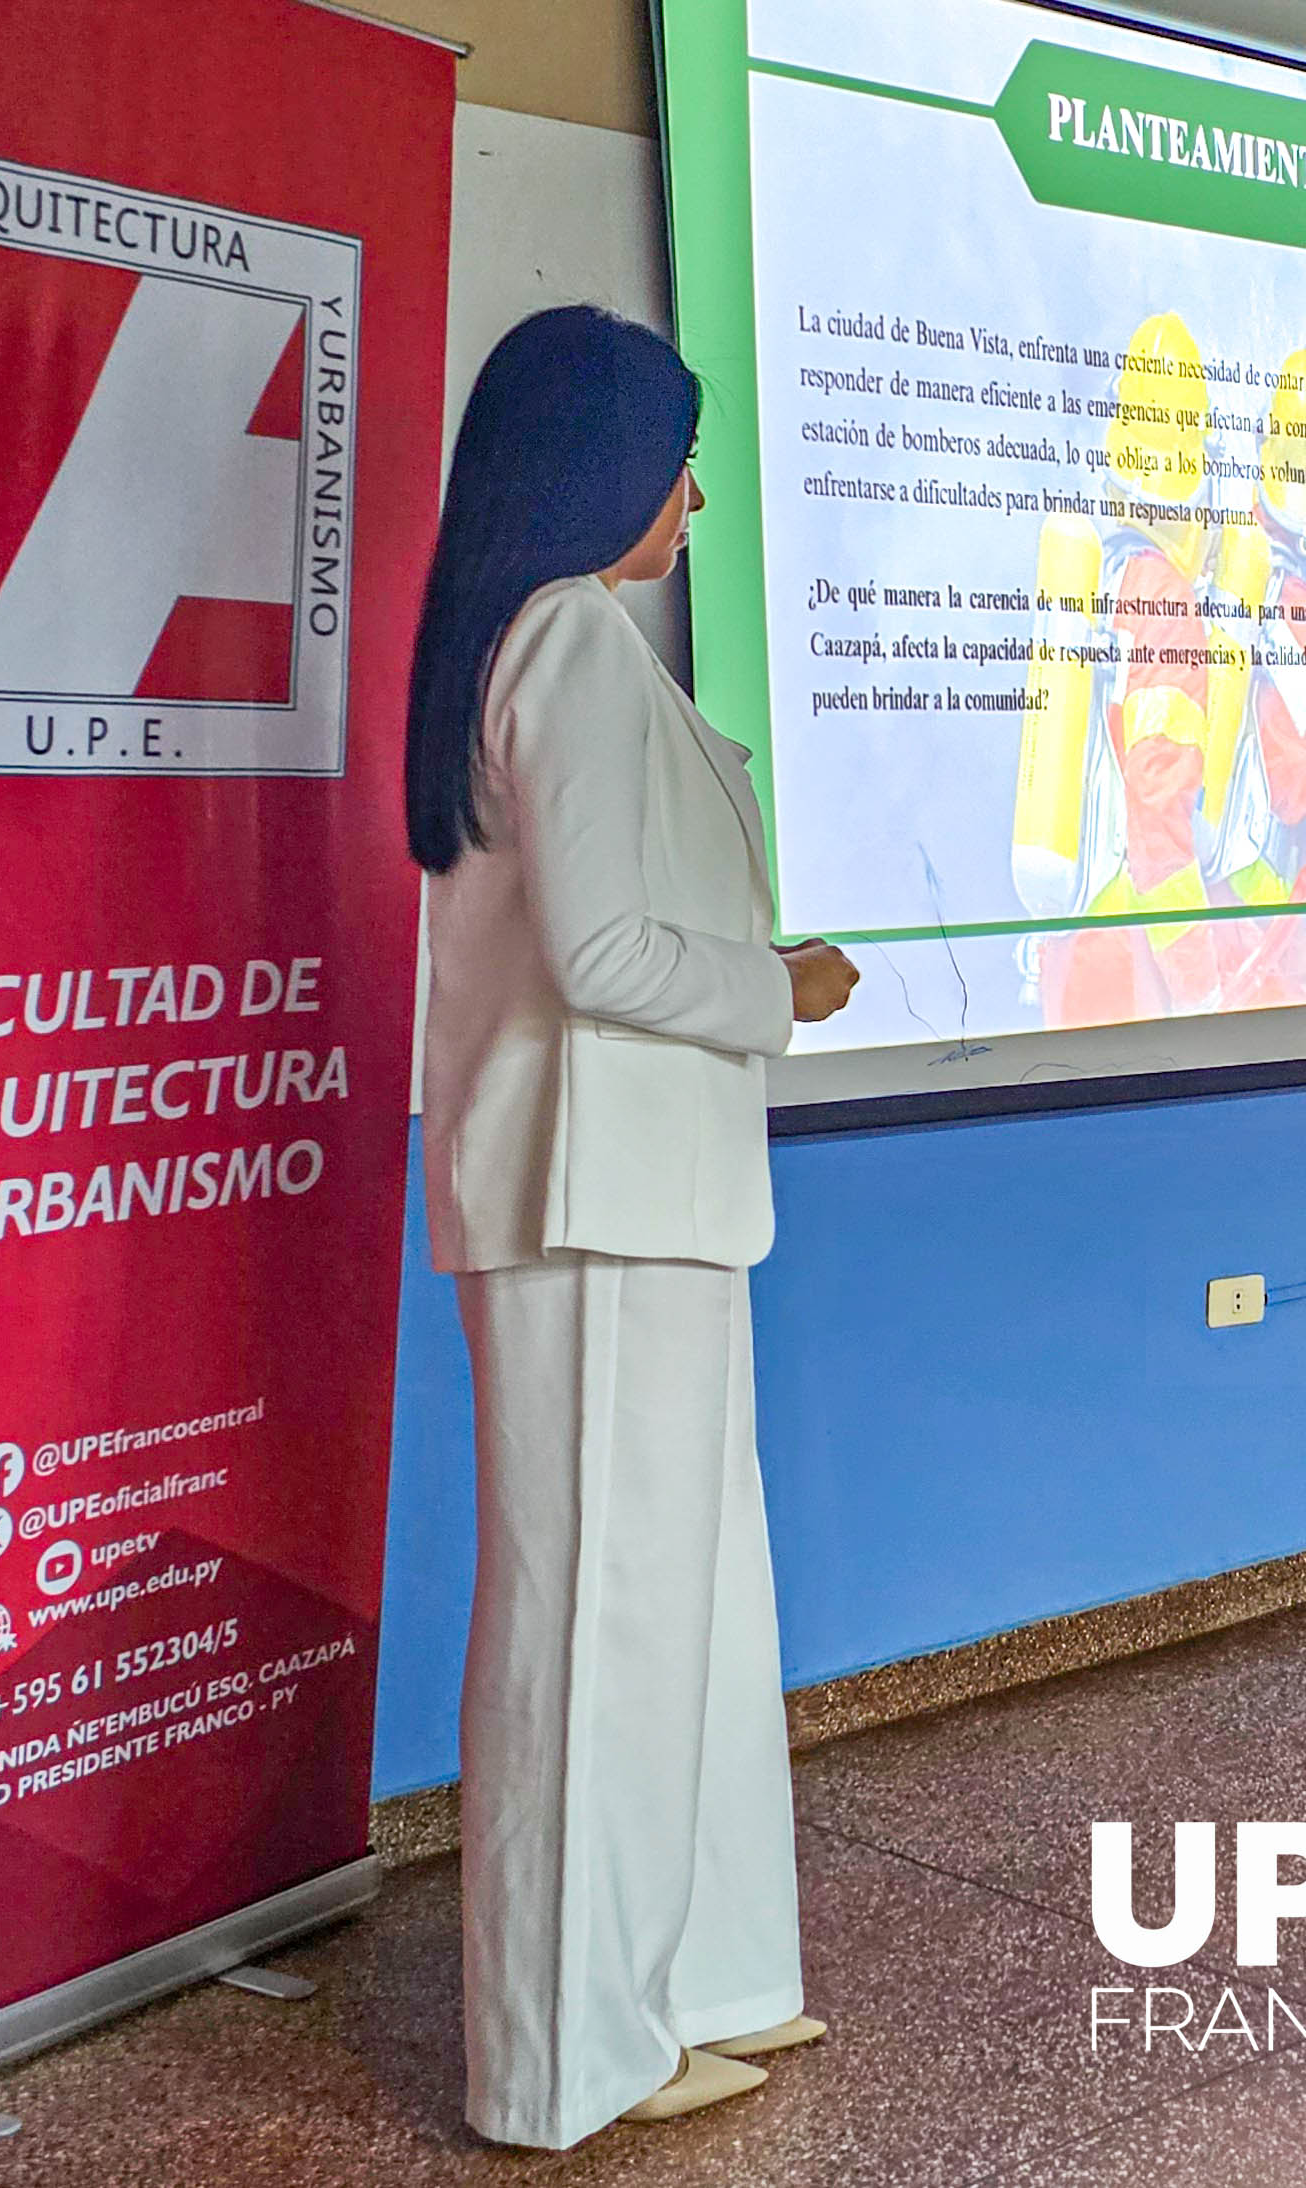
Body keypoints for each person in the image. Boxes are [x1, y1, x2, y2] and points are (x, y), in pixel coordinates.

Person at [408, 306, 860, 2144]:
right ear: (598, 458)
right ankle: (564, 2057)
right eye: (679, 453)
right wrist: (781, 982)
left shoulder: (537, 640)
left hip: (643, 1203)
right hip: (592, 1204)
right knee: (599, 1628)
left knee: (684, 1612)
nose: (694, 496)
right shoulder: (570, 637)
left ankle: (691, 1978)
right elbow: (601, 950)